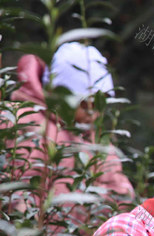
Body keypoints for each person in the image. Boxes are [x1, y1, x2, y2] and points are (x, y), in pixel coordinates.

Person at [7, 42, 134, 226]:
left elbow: (120, 200)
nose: (94, 114)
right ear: (59, 95)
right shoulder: (20, 121)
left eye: (100, 104)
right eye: (84, 104)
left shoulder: (99, 146)